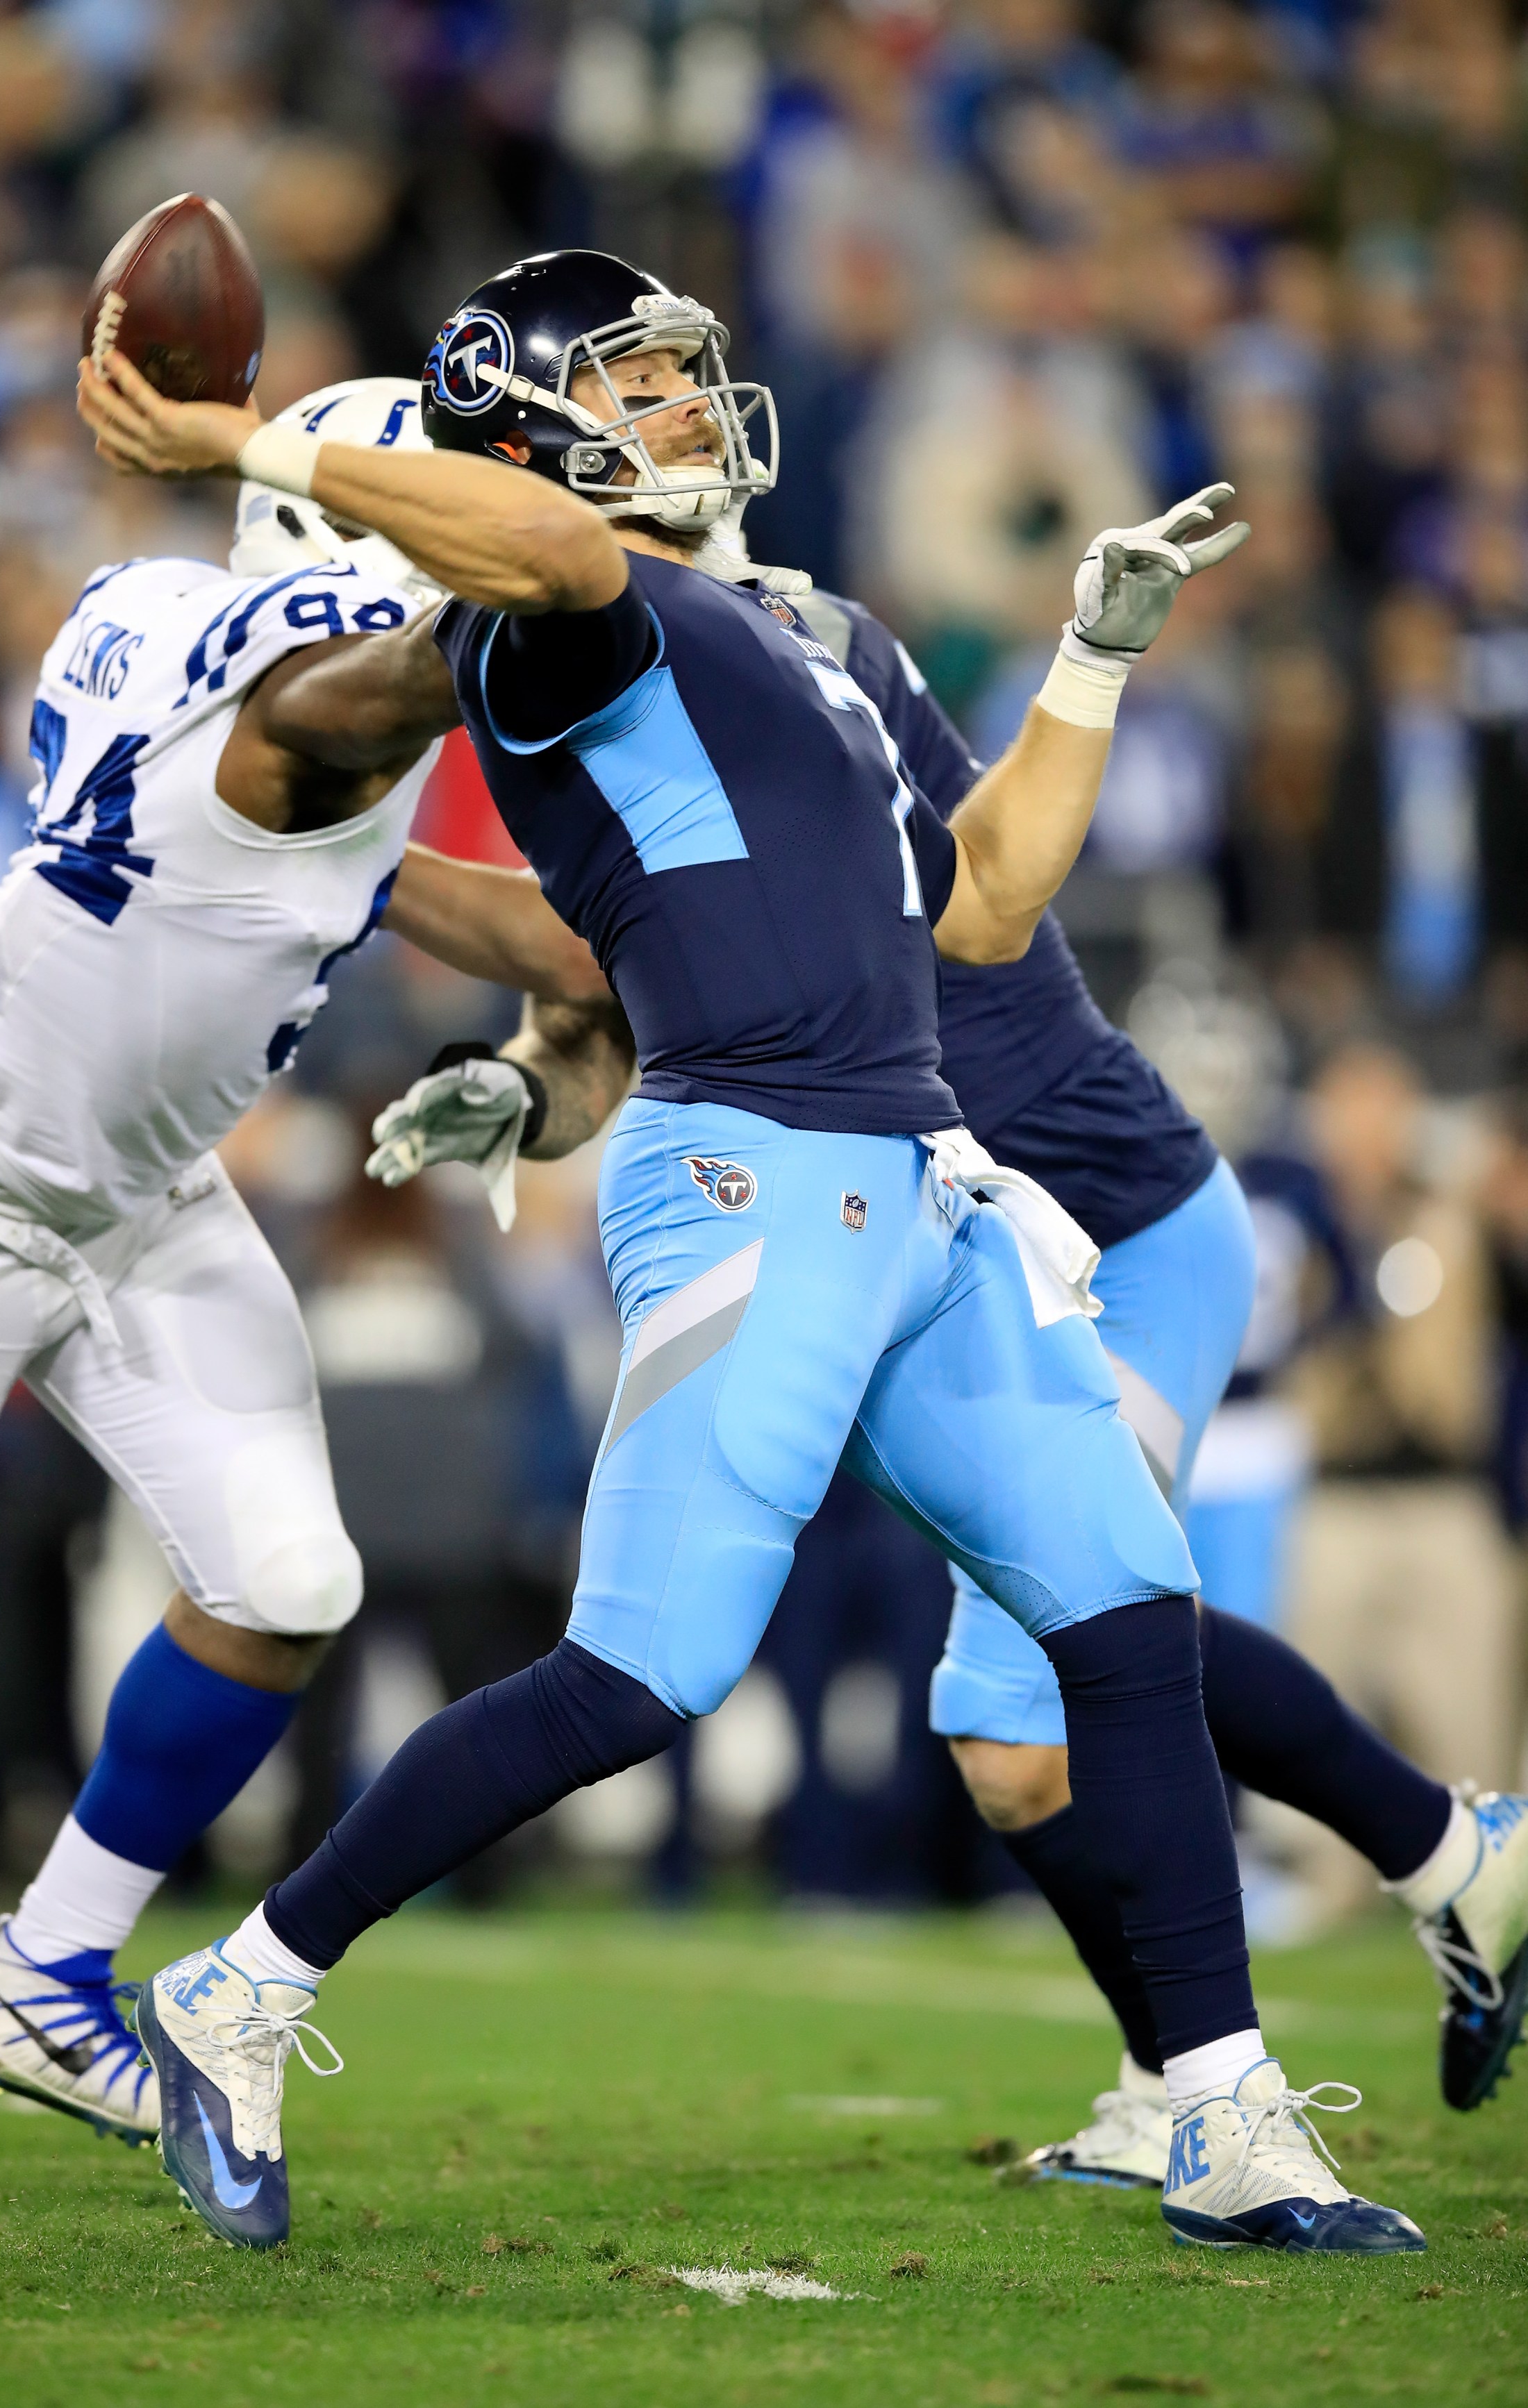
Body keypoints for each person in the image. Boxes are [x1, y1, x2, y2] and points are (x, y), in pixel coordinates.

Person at [85, 246, 1420, 2258]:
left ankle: (1225, 2116)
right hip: (752, 1176)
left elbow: (978, 912)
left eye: (689, 375)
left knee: (1129, 1620)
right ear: (532, 416)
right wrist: (248, 437)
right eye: (644, 381)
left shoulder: (797, 629)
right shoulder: (560, 620)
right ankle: (242, 1984)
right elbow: (533, 553)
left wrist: (1089, 660)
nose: (699, 407)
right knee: (646, 1667)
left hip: (922, 1182)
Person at [0, 374, 600, 2148]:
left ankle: (49, 1977)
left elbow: (395, 883)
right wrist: (599, 568)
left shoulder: (153, 623)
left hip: (137, 1191)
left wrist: (640, 949)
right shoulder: (323, 697)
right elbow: (460, 638)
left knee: (282, 1583)